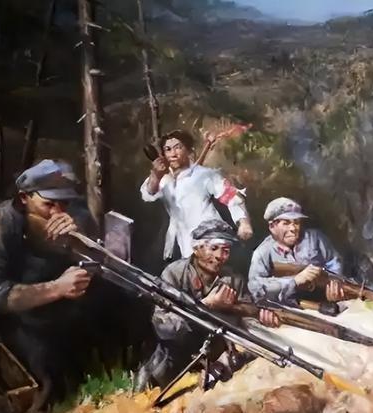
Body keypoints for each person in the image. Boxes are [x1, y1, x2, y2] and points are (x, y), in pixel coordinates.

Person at [0, 160, 107, 404]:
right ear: (24, 197)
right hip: (16, 325)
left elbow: (100, 263)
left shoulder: (76, 215)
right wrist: (56, 288)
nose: (58, 212)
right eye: (48, 204)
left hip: (66, 323)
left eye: (64, 203)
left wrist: (77, 242)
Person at [136, 219, 278, 390]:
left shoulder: (234, 280)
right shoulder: (175, 274)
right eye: (214, 248)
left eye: (225, 250)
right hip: (173, 366)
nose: (219, 256)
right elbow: (164, 327)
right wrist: (206, 305)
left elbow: (248, 324)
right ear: (196, 249)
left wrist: (259, 321)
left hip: (218, 367)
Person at [139, 129, 253, 260]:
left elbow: (231, 195)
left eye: (178, 148)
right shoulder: (163, 179)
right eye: (168, 149)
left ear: (189, 150)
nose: (173, 154)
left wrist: (244, 222)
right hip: (184, 244)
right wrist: (156, 175)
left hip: (211, 238)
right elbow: (148, 194)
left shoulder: (204, 174)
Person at [248, 197, 346, 304]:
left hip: (323, 300)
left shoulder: (315, 238)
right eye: (286, 223)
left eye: (296, 222)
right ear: (272, 227)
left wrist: (334, 283)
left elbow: (334, 261)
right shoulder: (262, 252)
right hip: (290, 307)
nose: (293, 228)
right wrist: (294, 281)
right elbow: (255, 287)